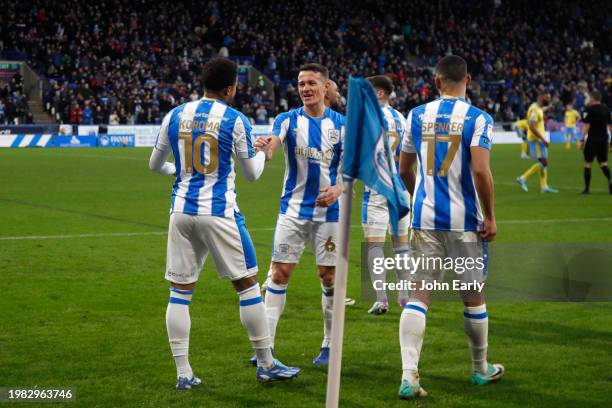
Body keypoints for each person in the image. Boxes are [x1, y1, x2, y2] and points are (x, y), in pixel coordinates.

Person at [148, 57, 299, 389]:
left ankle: (184, 374)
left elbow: (155, 164)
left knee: (179, 293)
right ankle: (266, 363)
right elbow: (252, 173)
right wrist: (265, 153)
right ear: (231, 87)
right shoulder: (236, 119)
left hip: (181, 213)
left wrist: (179, 172)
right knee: (247, 286)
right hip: (219, 213)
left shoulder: (175, 115)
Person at [398, 55, 504, 399]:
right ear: (468, 80)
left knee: (419, 296)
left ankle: (409, 376)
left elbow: (404, 169)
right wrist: (489, 216)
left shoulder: (415, 115)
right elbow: (481, 171)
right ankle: (479, 368)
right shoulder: (478, 118)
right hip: (464, 224)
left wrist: (421, 199)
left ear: (437, 80)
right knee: (473, 295)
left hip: (425, 219)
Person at [253, 63, 345, 366]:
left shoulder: (342, 125)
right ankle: (265, 350)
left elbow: (353, 169)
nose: (305, 88)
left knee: (328, 277)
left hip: (329, 215)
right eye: (300, 83)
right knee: (279, 275)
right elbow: (274, 144)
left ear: (325, 86)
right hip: (292, 213)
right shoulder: (288, 120)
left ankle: (329, 346)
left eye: (310, 83)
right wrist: (265, 149)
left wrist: (338, 189)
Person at [361, 75, 410, 315]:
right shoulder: (402, 119)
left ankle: (381, 299)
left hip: (376, 189)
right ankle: (404, 297)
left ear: (379, 93)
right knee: (401, 244)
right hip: (400, 188)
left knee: (374, 246)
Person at [516, 92, 559, 193]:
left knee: (543, 162)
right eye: (547, 97)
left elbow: (539, 112)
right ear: (541, 97)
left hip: (537, 139)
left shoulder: (536, 107)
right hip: (536, 140)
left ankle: (544, 186)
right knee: (544, 162)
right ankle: (522, 178)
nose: (549, 99)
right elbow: (531, 125)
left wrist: (547, 108)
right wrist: (543, 139)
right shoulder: (535, 110)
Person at [578, 90, 612, 194]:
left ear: (593, 98)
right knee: (603, 163)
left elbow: (587, 126)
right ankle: (610, 181)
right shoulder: (606, 109)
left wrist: (582, 139)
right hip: (604, 139)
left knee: (588, 163)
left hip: (592, 139)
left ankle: (587, 189)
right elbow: (610, 126)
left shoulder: (590, 109)